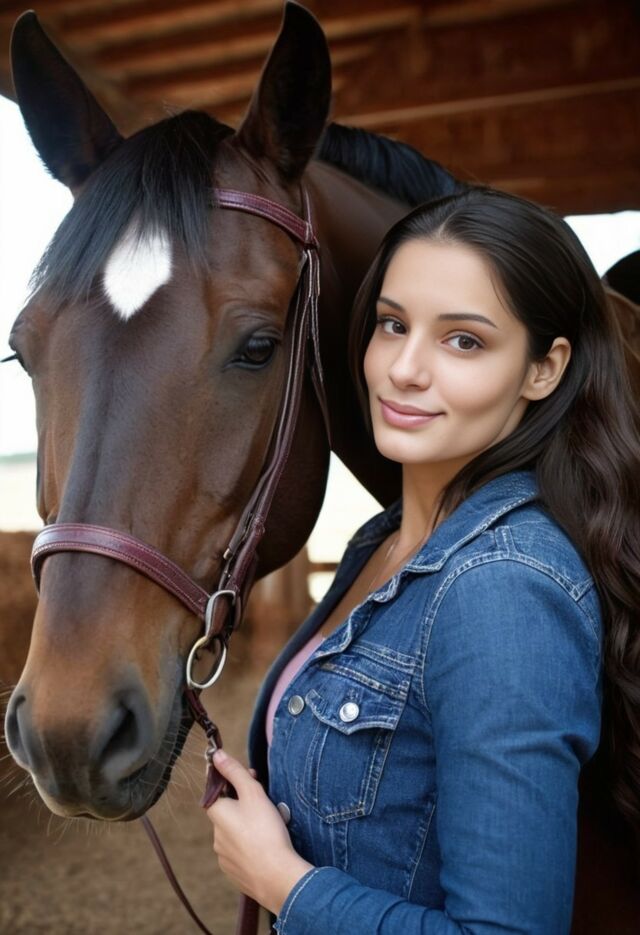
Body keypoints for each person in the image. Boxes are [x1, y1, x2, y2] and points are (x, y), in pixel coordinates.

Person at [206, 187, 640, 933]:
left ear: (543, 369)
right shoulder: (384, 539)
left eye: (463, 340)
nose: (403, 369)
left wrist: (283, 882)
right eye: (393, 324)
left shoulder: (503, 587)